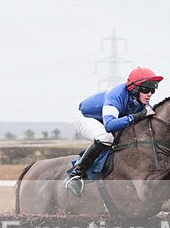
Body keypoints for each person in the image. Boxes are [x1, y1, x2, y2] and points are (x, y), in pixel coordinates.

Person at [64, 66, 163, 196]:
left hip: (106, 119)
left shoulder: (141, 101)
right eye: (146, 89)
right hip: (86, 118)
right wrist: (137, 116)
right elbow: (110, 125)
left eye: (152, 90)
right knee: (106, 138)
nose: (149, 94)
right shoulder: (116, 96)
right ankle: (76, 174)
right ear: (134, 89)